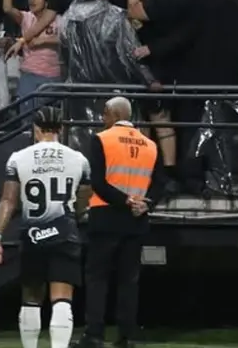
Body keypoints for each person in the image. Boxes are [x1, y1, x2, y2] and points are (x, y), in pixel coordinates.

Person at [0, 107, 91, 348]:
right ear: (61, 129)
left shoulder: (18, 158)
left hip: (33, 236)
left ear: (35, 129)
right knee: (62, 300)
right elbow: (84, 200)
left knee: (31, 299)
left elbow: (8, 200)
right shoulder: (79, 160)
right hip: (65, 233)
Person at [78, 96, 165, 348]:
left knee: (97, 278)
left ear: (111, 113)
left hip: (106, 217)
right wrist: (145, 203)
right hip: (136, 221)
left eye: (104, 113)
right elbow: (160, 183)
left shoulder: (102, 139)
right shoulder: (150, 144)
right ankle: (128, 336)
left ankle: (94, 335)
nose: (102, 118)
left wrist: (125, 201)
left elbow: (98, 183)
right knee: (129, 280)